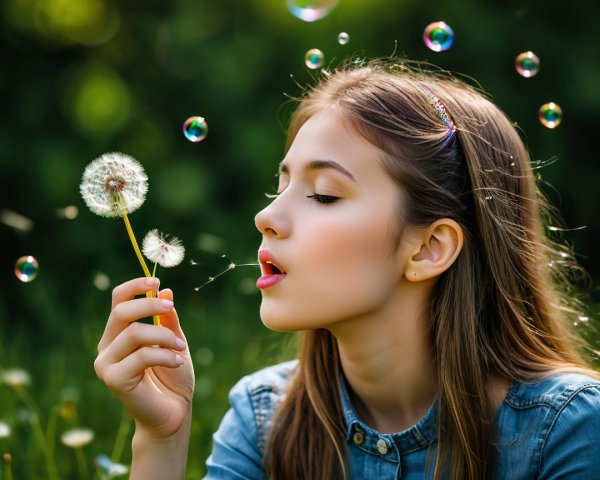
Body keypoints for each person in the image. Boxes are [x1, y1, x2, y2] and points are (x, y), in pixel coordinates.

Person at [93, 59, 600, 479]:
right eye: (281, 185)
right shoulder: (264, 418)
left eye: (323, 194)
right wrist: (161, 437)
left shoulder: (567, 430)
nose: (266, 216)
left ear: (428, 248)